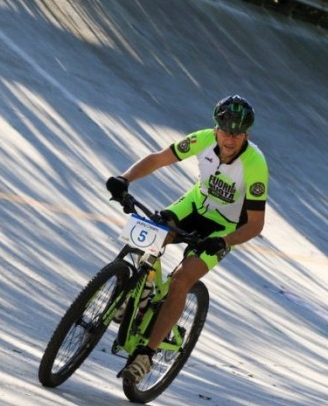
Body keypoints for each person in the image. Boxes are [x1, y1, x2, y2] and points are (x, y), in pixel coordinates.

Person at [105, 95, 269, 384]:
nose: (230, 138)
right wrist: (125, 178)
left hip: (224, 227)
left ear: (247, 134)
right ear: (216, 128)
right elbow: (159, 158)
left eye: (238, 132)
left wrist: (225, 241)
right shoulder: (203, 139)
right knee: (147, 238)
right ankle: (139, 294)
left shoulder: (255, 165)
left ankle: (146, 353)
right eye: (225, 130)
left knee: (182, 279)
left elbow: (255, 224)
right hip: (193, 206)